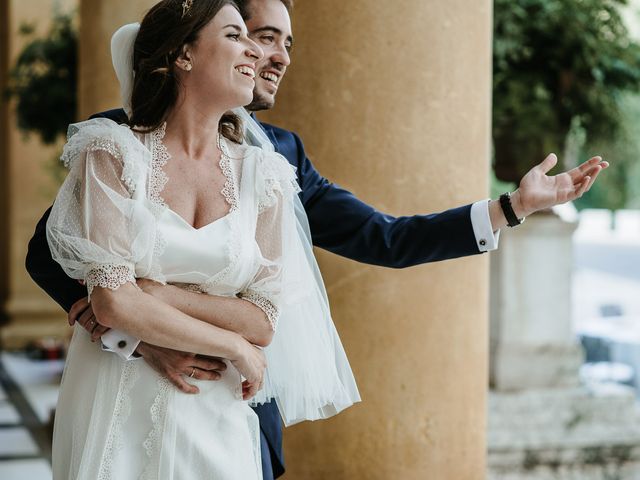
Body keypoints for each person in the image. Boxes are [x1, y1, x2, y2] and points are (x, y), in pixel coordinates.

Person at [26, 0, 608, 478]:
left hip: (233, 408)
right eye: (259, 36)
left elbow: (383, 239)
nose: (273, 56)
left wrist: (511, 206)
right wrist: (137, 337)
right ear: (192, 44)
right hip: (121, 391)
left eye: (286, 45)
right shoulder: (122, 139)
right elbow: (49, 252)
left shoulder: (278, 160)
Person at [41, 1, 360, 478]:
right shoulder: (111, 152)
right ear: (182, 54)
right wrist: (233, 348)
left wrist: (155, 294)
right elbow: (112, 305)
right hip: (118, 393)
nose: (255, 50)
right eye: (236, 35)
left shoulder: (266, 175)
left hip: (216, 410)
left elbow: (262, 319)